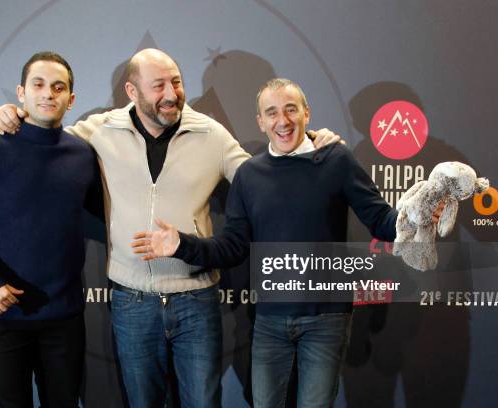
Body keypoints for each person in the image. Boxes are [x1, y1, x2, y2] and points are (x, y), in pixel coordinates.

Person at [0, 50, 340, 408]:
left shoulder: (211, 133)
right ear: (131, 90)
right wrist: (15, 115)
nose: (171, 94)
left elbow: (264, 181)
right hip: (132, 302)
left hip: (197, 300)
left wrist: (306, 143)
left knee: (203, 403)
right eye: (158, 86)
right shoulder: (99, 129)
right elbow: (47, 144)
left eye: (176, 82)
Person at [132, 78, 445, 408]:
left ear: (306, 113)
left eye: (291, 109)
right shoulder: (250, 175)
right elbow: (232, 247)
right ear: (261, 122)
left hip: (327, 321)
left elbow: (381, 221)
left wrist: (417, 217)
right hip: (269, 322)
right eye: (272, 113)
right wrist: (181, 245)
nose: (283, 121)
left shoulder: (336, 160)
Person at [0, 51, 101, 407]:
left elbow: (105, 216)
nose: (48, 94)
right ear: (21, 92)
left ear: (71, 99)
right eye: (38, 85)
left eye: (58, 88)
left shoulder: (83, 155)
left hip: (64, 317)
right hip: (1, 313)